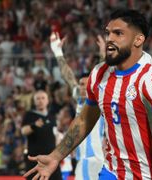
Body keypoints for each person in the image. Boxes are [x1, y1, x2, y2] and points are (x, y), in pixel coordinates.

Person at [24, 9, 152, 180]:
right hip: (111, 171)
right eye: (108, 33)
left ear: (138, 40)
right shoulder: (99, 73)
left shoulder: (151, 78)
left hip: (149, 175)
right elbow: (85, 119)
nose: (110, 38)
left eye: (118, 33)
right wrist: (55, 156)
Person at [50, 32, 112, 179]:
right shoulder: (79, 98)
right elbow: (68, 76)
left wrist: (103, 53)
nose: (83, 87)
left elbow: (104, 74)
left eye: (87, 84)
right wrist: (58, 52)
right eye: (81, 84)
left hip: (99, 159)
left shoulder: (99, 96)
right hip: (82, 160)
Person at [21, 90, 62, 180]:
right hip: (35, 160)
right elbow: (23, 131)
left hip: (52, 159)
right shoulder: (29, 115)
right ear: (34, 101)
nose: (40, 100)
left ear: (47, 100)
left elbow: (56, 134)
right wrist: (34, 125)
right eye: (38, 98)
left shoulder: (52, 116)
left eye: (43, 98)